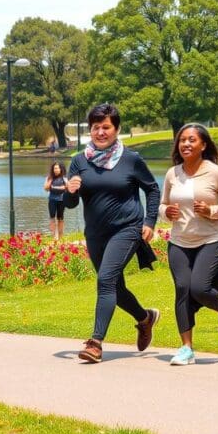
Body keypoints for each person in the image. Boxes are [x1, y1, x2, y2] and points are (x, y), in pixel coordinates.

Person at [64, 103, 161, 364]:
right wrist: (69, 191)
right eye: (95, 127)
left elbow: (152, 189)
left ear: (117, 129)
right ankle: (145, 318)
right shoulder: (78, 161)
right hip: (96, 234)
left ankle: (95, 343)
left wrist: (150, 220)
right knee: (115, 287)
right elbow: (70, 204)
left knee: (105, 280)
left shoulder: (131, 159)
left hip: (127, 229)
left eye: (106, 127)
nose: (100, 132)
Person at [159, 123, 218, 366]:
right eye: (182, 140)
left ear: (203, 145)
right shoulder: (172, 174)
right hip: (179, 241)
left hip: (210, 240)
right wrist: (168, 213)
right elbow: (162, 206)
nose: (185, 144)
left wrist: (211, 210)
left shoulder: (214, 172)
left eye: (191, 140)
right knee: (182, 289)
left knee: (199, 288)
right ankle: (186, 348)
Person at [44, 161, 67, 241]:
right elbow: (46, 188)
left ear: (60, 169)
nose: (56, 170)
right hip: (52, 200)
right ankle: (54, 237)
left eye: (57, 168)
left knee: (60, 218)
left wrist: (56, 188)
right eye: (54, 168)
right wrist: (50, 180)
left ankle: (60, 237)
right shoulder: (49, 178)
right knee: (52, 218)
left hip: (61, 200)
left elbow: (66, 188)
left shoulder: (64, 178)